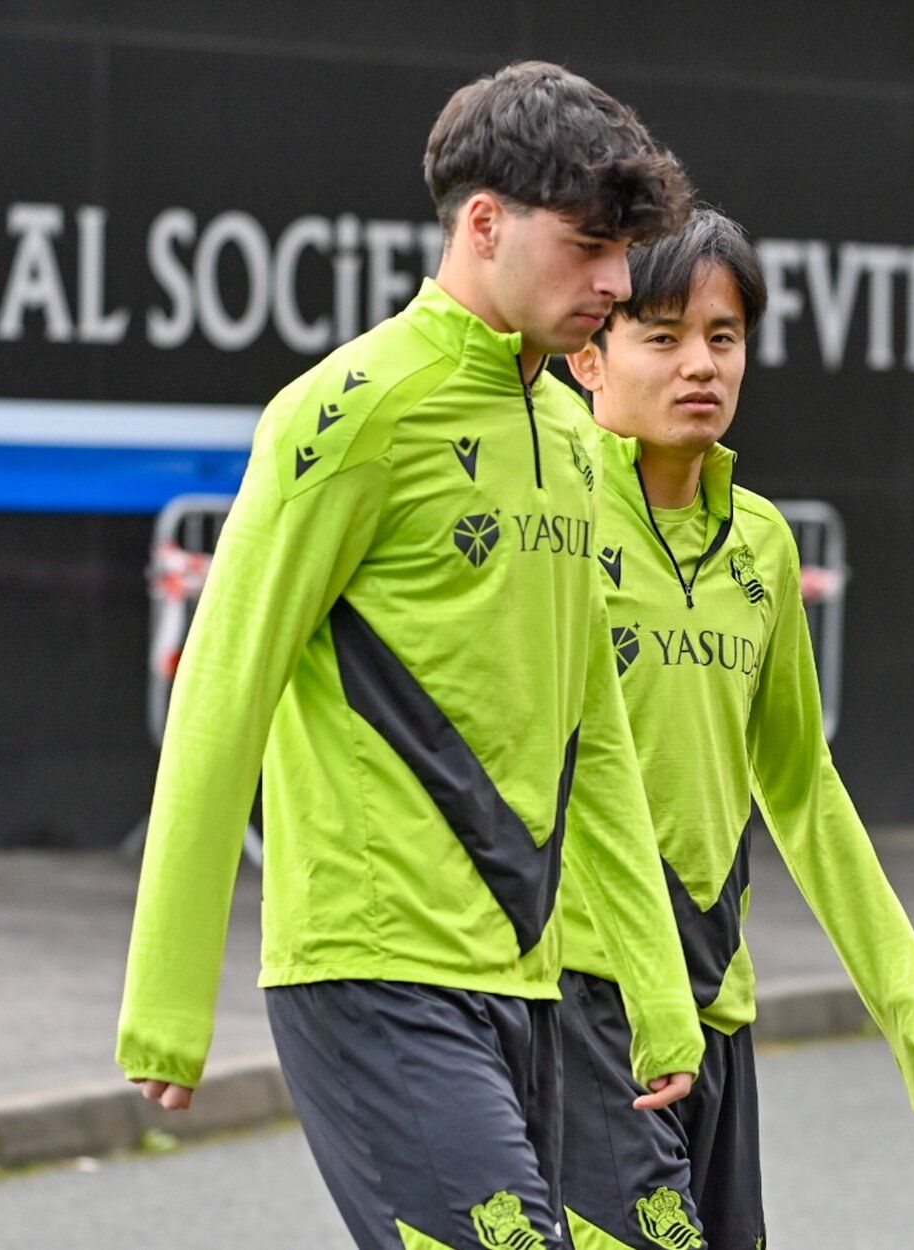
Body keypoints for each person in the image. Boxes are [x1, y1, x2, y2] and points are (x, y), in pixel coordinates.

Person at [117, 63, 706, 1249]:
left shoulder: (573, 434)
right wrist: (167, 998)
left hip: (527, 974)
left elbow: (591, 725)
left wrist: (656, 984)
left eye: (624, 251)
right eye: (589, 245)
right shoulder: (346, 412)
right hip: (371, 961)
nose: (615, 283)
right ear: (483, 222)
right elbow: (224, 684)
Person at [557, 209, 914, 1250]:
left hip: (715, 996)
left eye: (722, 336)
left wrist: (894, 976)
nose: (700, 364)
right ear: (588, 357)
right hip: (578, 991)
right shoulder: (550, 522)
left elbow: (799, 778)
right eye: (662, 336)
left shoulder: (765, 544)